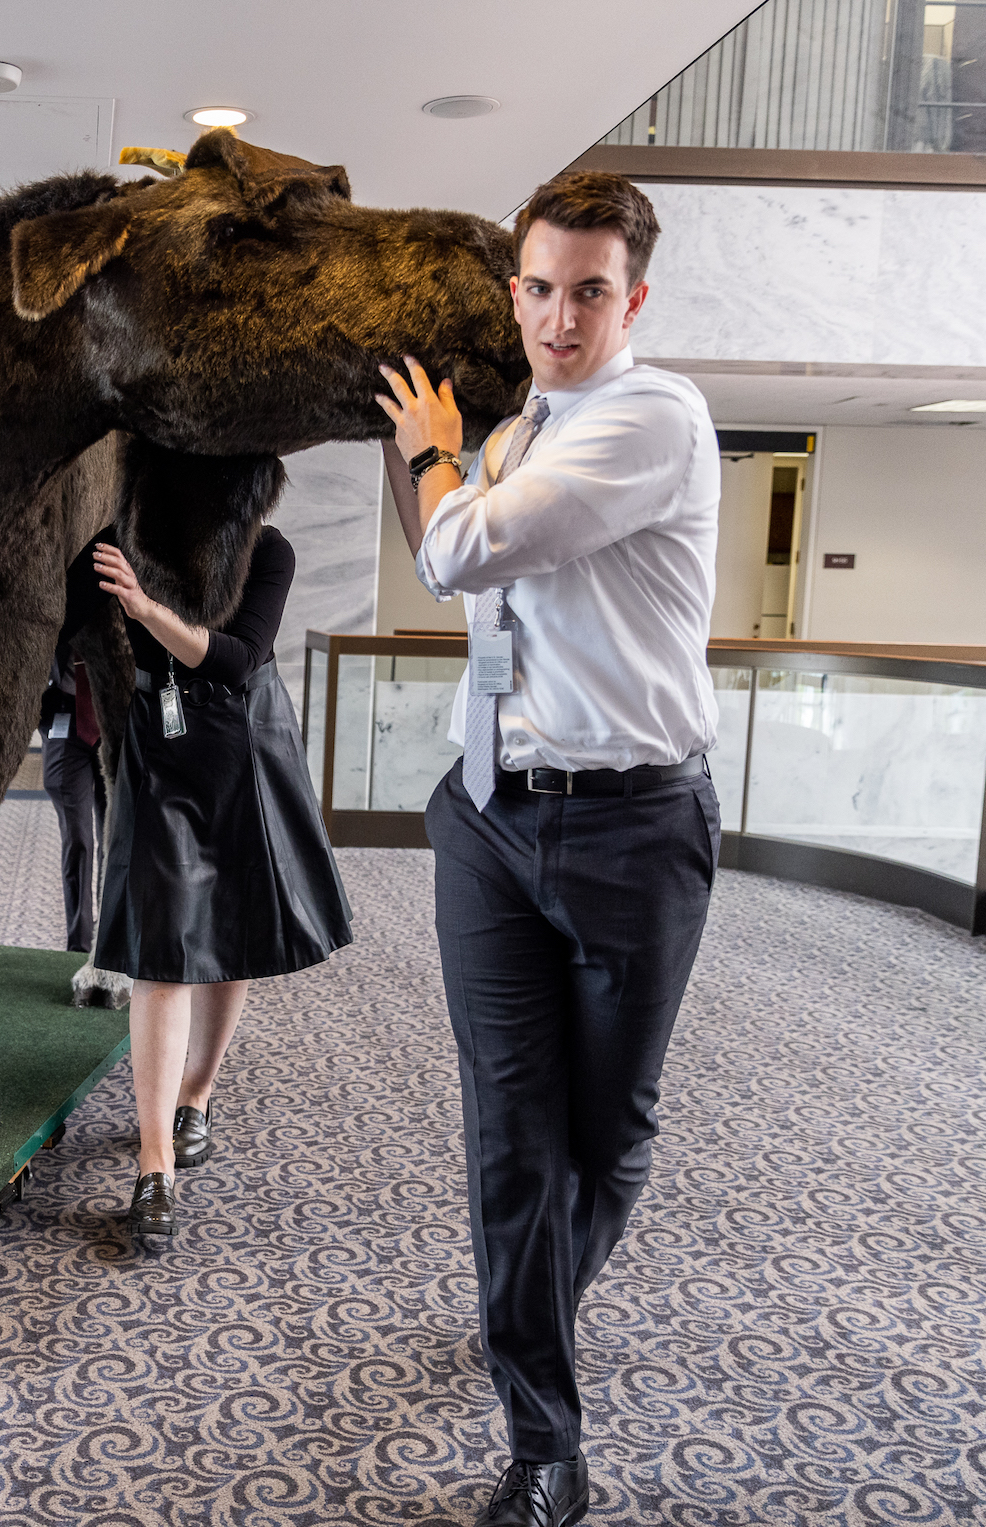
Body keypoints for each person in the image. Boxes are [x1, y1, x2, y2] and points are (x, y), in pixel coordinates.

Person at [375, 172, 721, 1527]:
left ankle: (536, 1299)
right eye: (537, 287)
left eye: (587, 290)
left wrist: (423, 445)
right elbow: (450, 561)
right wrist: (442, 458)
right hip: (488, 812)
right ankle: (544, 1440)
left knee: (607, 1129)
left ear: (630, 299)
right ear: (513, 290)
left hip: (633, 824)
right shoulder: (515, 429)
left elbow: (464, 539)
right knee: (511, 1137)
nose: (557, 314)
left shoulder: (650, 414)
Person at [58, 521, 352, 1245]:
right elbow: (60, 625)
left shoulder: (270, 549)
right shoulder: (126, 541)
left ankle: (197, 1094)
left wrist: (145, 609)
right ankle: (153, 1162)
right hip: (161, 740)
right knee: (164, 946)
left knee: (228, 929)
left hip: (244, 738)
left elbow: (236, 657)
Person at [36, 651, 104, 954]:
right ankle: (78, 943)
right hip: (62, 709)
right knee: (78, 840)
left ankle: (110, 938)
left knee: (116, 840)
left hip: (115, 712)